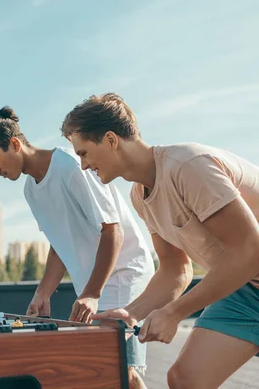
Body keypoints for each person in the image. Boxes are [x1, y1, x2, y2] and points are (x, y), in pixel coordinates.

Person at [61, 93, 259, 389]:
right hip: (245, 289)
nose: (84, 165)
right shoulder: (140, 196)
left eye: (84, 153)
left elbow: (250, 250)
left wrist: (175, 312)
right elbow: (175, 269)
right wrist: (132, 313)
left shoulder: (188, 166)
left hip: (247, 268)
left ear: (111, 140)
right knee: (186, 380)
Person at [0, 106, 155, 388]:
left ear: (15, 144)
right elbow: (59, 242)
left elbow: (113, 231)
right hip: (93, 286)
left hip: (122, 274)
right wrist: (42, 293)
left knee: (120, 372)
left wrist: (92, 293)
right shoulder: (30, 190)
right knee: (99, 372)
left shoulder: (70, 166)